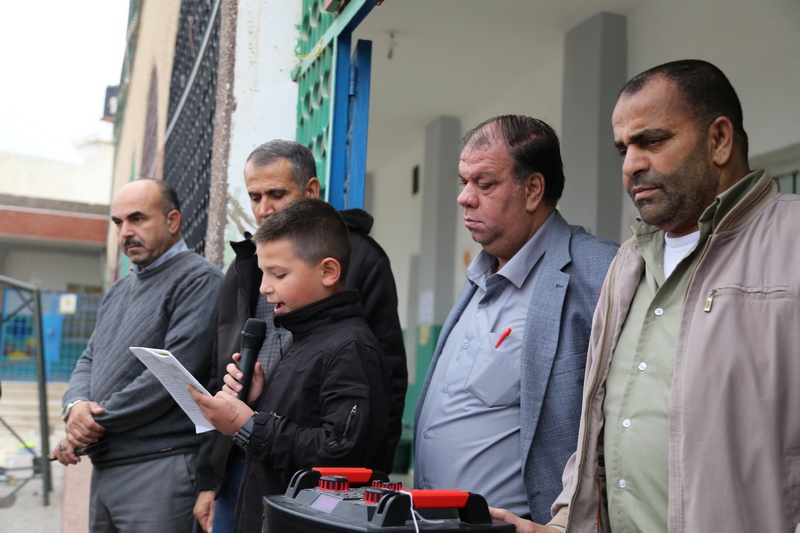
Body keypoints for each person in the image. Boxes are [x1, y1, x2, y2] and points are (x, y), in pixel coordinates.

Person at [491, 59, 800, 533]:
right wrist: (560, 525)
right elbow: (599, 432)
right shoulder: (628, 262)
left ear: (719, 139)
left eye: (652, 141)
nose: (631, 165)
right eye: (623, 149)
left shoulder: (791, 241)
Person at [414, 115, 619, 523]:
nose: (464, 198)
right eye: (463, 182)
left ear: (533, 190)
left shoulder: (601, 272)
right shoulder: (480, 275)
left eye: (484, 183)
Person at [194, 140, 407, 532]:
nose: (264, 208)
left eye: (276, 194)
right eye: (255, 197)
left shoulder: (350, 335)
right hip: (251, 461)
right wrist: (255, 400)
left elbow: (349, 439)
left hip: (311, 497)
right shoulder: (253, 275)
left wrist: (252, 425)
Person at [49, 179, 223, 532]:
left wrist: (86, 429)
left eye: (137, 218)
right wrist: (75, 406)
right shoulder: (119, 290)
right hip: (107, 465)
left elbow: (170, 376)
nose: (126, 232)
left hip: (160, 467)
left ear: (172, 221)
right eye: (118, 222)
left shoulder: (199, 280)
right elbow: (89, 358)